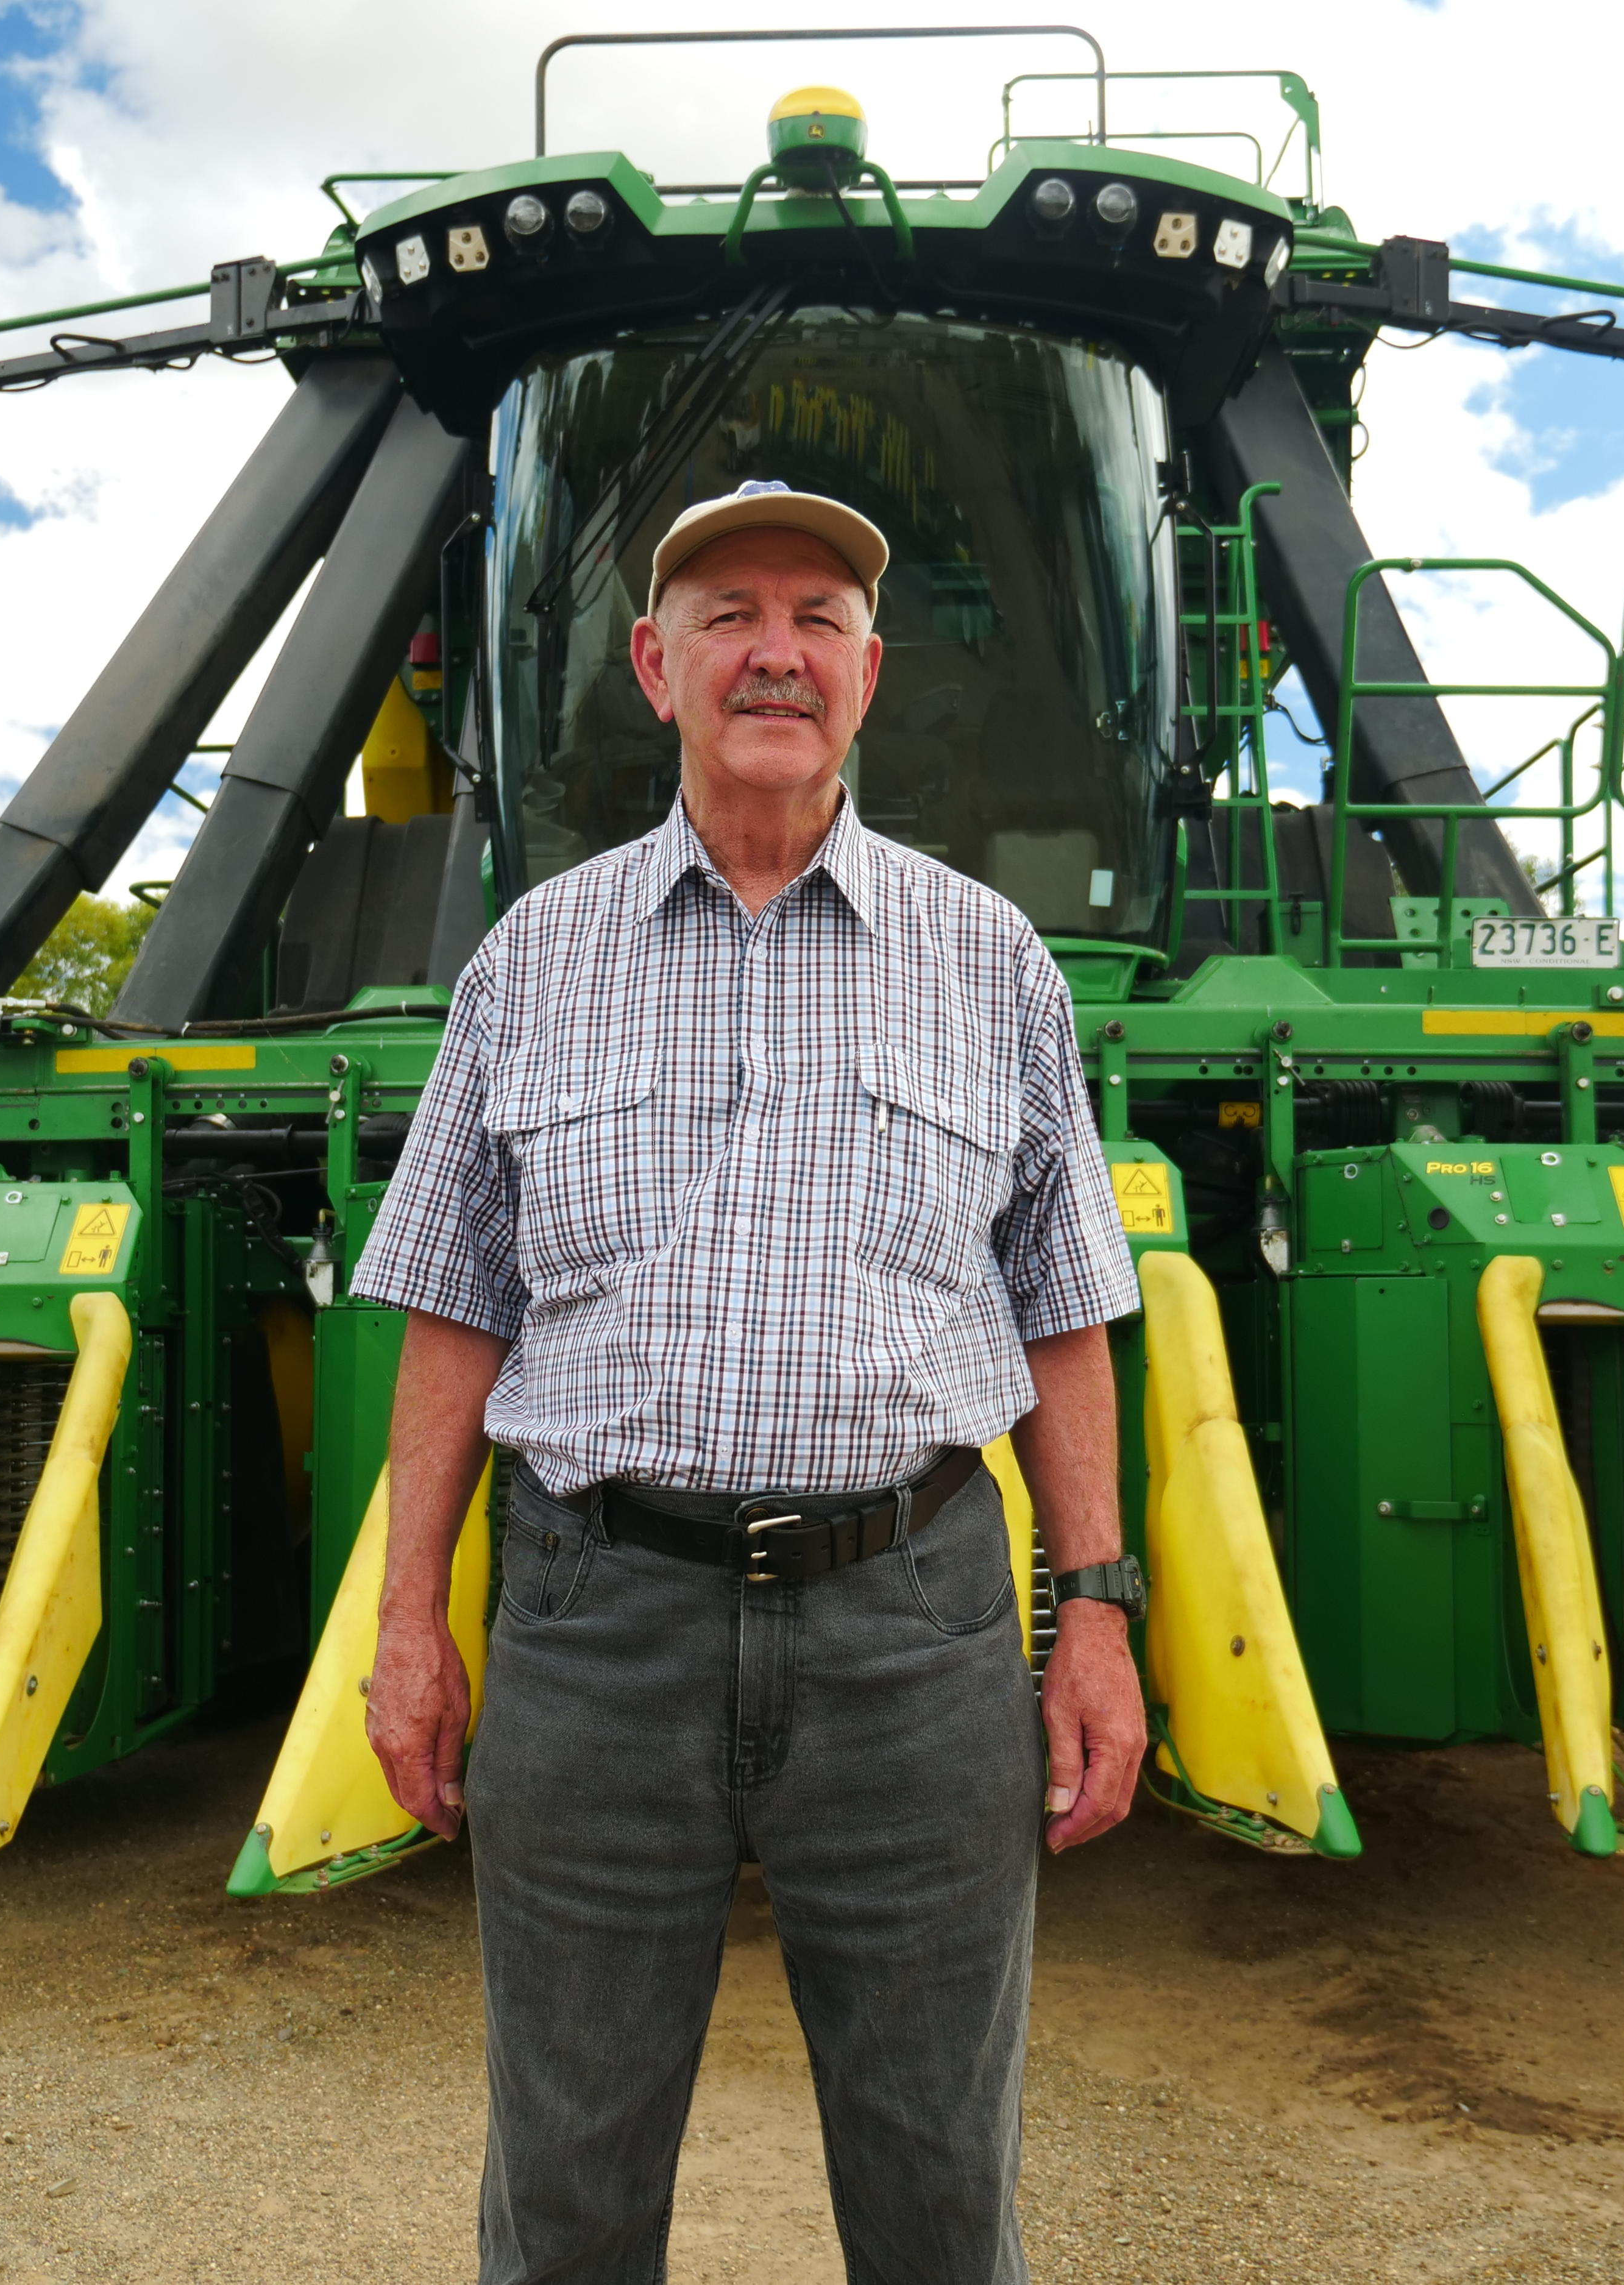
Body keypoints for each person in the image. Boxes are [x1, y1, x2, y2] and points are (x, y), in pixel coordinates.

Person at [352, 478, 1149, 2284]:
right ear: (656, 665)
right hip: (593, 1623)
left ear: (870, 672)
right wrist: (412, 1620)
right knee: (564, 2201)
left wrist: (1092, 1613)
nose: (773, 651)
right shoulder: (531, 964)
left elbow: (1064, 1313)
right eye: (727, 615)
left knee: (945, 2199)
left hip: (918, 1630)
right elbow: (454, 1312)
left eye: (815, 618)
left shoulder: (994, 963)